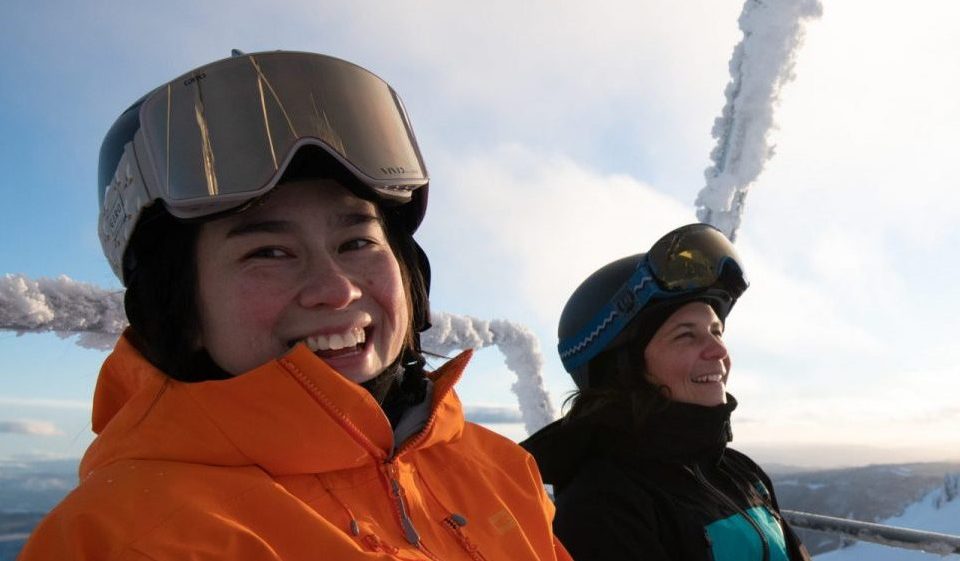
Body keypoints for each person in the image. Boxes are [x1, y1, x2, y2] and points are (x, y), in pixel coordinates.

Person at [20, 50, 571, 561]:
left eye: (357, 242)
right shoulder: (121, 538)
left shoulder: (502, 469)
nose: (335, 289)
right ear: (179, 309)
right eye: (269, 252)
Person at [522, 223, 811, 561]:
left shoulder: (739, 472)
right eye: (686, 335)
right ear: (624, 370)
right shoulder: (604, 505)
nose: (718, 352)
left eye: (716, 332)